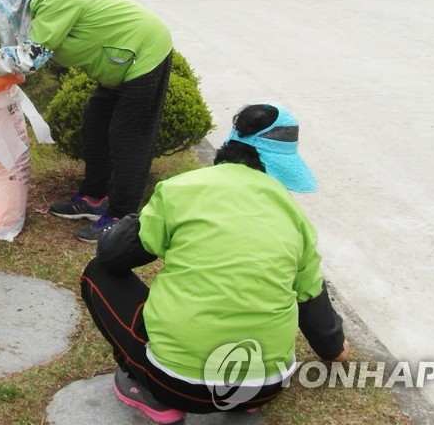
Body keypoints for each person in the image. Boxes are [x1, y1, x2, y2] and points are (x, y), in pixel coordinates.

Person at [79, 104, 350, 423]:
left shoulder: (181, 189)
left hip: (176, 385)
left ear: (229, 146)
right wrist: (335, 350)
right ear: (280, 165)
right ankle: (241, 402)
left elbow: (112, 256)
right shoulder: (295, 217)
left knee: (97, 274)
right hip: (264, 387)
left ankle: (148, 392)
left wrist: (141, 222)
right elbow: (312, 299)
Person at [0, 0, 174, 242]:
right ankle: (93, 198)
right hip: (120, 63)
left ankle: (123, 217)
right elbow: (27, 51)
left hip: (144, 53)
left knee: (128, 139)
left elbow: (31, 56)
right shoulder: (34, 2)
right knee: (96, 124)